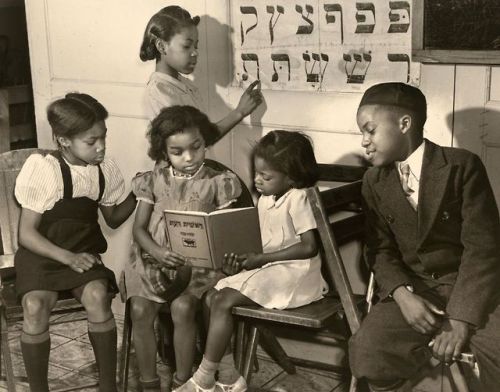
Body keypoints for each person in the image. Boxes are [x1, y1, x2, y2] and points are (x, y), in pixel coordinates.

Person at [349, 82, 500, 391]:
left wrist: (460, 320)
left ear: (404, 124)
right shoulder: (374, 180)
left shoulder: (462, 166)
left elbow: (483, 250)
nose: (364, 142)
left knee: (496, 353)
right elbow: (379, 250)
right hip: (418, 290)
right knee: (368, 352)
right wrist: (403, 296)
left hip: (475, 289)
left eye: (370, 130)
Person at [175, 130, 329, 392]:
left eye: (266, 176)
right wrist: (240, 260)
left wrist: (261, 259)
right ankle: (228, 375)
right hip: (270, 268)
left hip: (297, 275)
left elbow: (309, 247)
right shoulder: (265, 199)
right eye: (256, 173)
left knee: (222, 300)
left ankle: (203, 379)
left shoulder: (299, 198)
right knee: (211, 296)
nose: (257, 180)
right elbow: (259, 243)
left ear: (291, 176)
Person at [14, 93, 137, 392]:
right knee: (33, 305)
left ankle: (109, 386)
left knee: (97, 297)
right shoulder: (44, 169)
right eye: (91, 141)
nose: (101, 147)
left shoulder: (104, 170)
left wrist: (140, 193)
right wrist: (67, 258)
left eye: (103, 137)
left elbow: (113, 219)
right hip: (42, 253)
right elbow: (26, 234)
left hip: (83, 253)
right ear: (63, 140)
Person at [124, 105, 243, 391]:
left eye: (196, 147)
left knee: (183, 306)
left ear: (205, 143)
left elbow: (229, 233)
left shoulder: (217, 182)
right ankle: (149, 383)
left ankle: (183, 381)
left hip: (199, 270)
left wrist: (227, 259)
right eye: (177, 152)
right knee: (139, 309)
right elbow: (138, 229)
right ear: (164, 152)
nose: (188, 157)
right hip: (152, 263)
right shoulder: (152, 181)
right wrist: (157, 251)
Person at [140, 5, 262, 136]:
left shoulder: (184, 85)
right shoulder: (159, 93)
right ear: (161, 46)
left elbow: (202, 136)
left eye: (196, 46)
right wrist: (240, 112)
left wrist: (241, 111)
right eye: (186, 46)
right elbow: (196, 141)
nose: (195, 53)